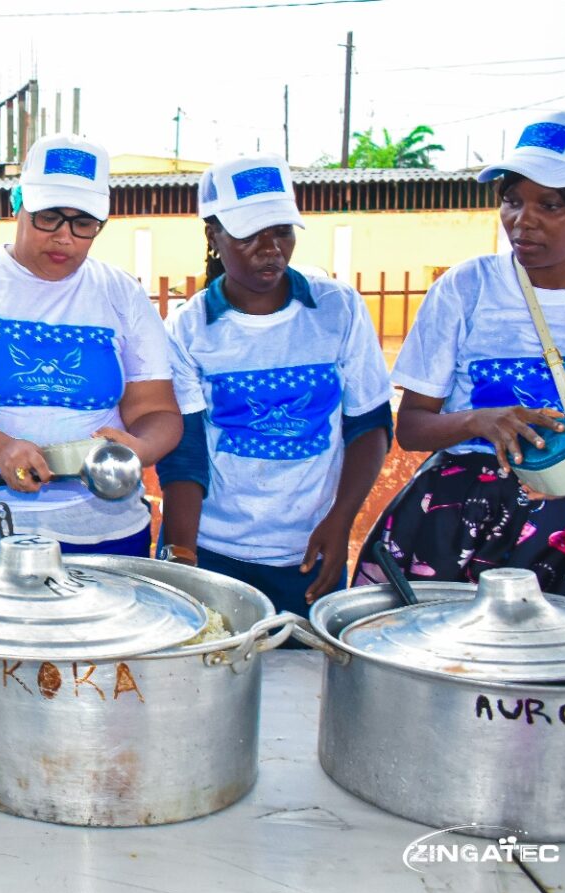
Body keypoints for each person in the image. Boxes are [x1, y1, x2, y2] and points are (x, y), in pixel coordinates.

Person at [0, 134, 181, 559]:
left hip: (103, 532)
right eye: (49, 217)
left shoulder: (121, 295)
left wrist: (142, 449)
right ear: (19, 205)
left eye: (83, 224)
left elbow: (157, 411)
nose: (64, 237)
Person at [360, 111, 565, 598]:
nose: (522, 221)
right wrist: (479, 421)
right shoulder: (467, 288)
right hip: (460, 526)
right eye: (511, 201)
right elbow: (413, 428)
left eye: (550, 205)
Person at [156, 155, 393, 615]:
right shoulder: (189, 328)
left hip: (310, 549)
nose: (271, 249)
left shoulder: (336, 310)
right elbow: (185, 452)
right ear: (214, 234)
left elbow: (368, 424)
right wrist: (183, 557)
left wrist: (340, 522)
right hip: (212, 550)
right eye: (249, 235)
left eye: (282, 231)